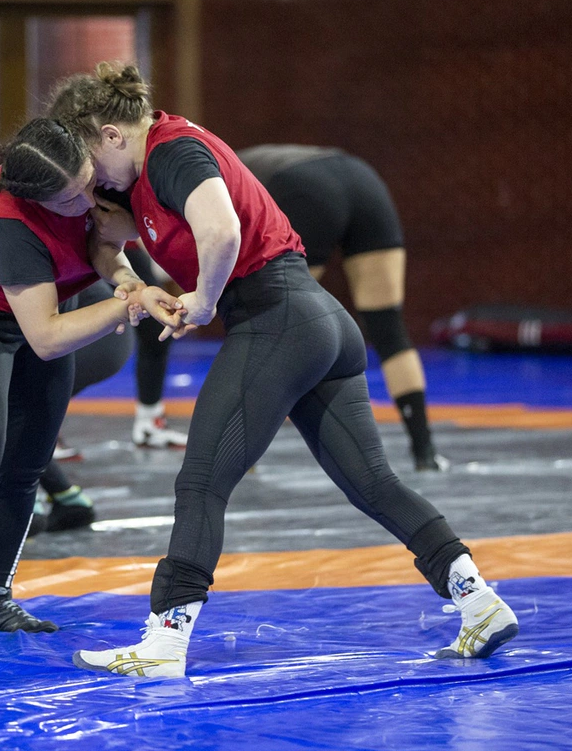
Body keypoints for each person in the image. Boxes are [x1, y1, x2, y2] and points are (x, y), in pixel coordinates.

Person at [31, 63, 517, 677]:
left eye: (93, 167)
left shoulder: (171, 152)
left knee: (201, 483)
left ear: (111, 135)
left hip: (277, 319)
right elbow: (107, 239)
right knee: (372, 482)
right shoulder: (146, 174)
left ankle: (164, 640)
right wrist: (132, 285)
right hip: (320, 323)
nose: (94, 186)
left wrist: (203, 300)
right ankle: (479, 602)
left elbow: (223, 230)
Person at [0, 118, 171, 665]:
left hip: (50, 308)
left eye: (91, 180)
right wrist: (128, 303)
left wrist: (127, 280)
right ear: (41, 200)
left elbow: (100, 243)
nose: (92, 196)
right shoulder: (11, 223)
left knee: (27, 462)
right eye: (76, 196)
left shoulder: (82, 172)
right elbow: (44, 338)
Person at [237, 144, 446, 471]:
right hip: (363, 180)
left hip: (303, 187)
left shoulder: (199, 175)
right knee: (389, 328)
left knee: (271, 323)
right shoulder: (237, 160)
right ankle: (426, 452)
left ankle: (242, 454)